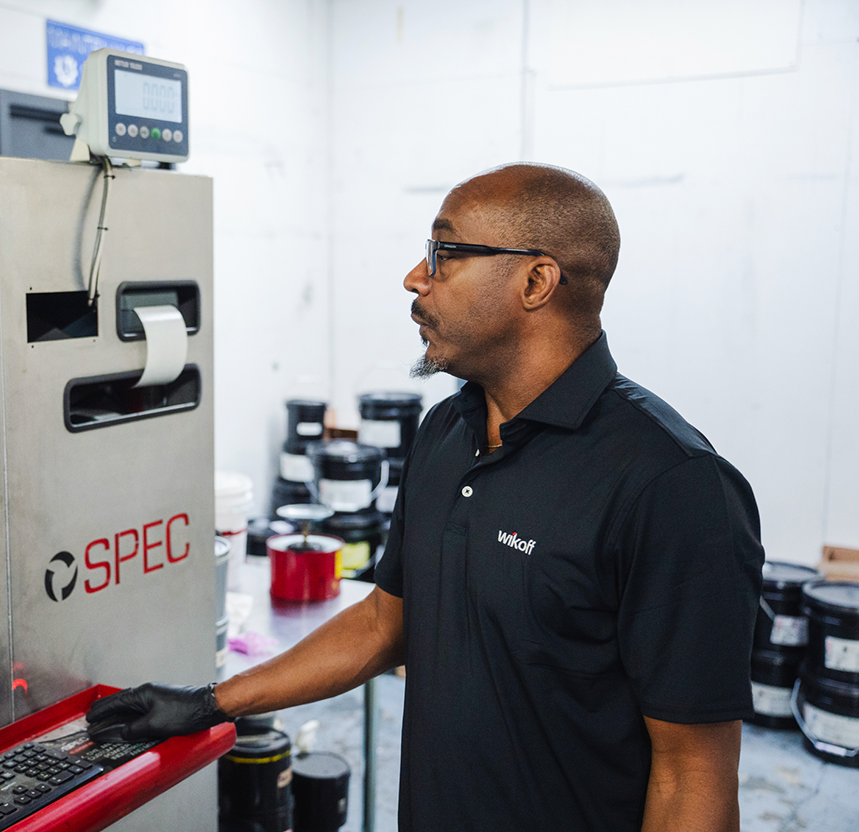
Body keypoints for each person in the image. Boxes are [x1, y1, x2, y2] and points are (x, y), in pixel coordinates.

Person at [87, 163, 764, 831]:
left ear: (536, 281)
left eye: (444, 253)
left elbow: (692, 778)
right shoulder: (447, 432)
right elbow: (386, 622)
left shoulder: (672, 486)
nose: (415, 278)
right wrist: (212, 703)